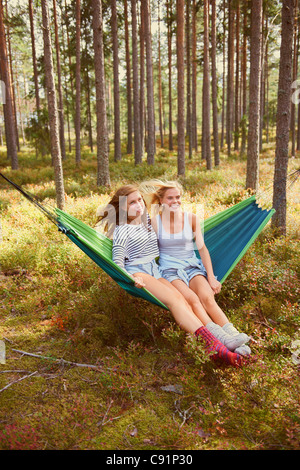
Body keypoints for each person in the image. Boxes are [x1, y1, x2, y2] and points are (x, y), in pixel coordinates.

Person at [96, 184, 244, 366]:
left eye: (140, 200)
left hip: (155, 270)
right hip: (139, 272)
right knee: (175, 301)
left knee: (183, 300)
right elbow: (118, 261)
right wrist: (131, 277)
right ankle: (213, 346)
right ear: (123, 207)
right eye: (132, 202)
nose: (138, 204)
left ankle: (221, 337)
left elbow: (169, 221)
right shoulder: (122, 230)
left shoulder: (147, 222)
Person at [139, 179, 251, 357]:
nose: (175, 201)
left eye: (178, 197)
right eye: (170, 198)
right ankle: (221, 338)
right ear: (161, 200)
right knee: (193, 300)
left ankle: (235, 338)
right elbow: (144, 250)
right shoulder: (154, 223)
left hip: (192, 266)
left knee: (208, 298)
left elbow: (202, 249)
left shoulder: (191, 219)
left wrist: (212, 277)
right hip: (170, 271)